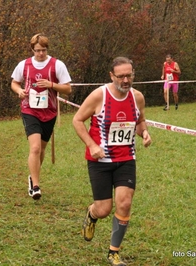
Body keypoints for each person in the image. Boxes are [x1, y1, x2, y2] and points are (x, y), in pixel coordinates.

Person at [72, 57, 152, 266]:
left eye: (129, 75)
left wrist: (144, 133)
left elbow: (140, 120)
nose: (126, 80)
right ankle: (92, 213)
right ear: (111, 76)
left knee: (124, 203)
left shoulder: (138, 97)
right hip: (100, 161)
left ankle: (113, 252)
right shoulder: (100, 95)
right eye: (121, 76)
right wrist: (91, 145)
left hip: (126, 159)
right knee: (104, 209)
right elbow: (77, 120)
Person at [11, 33, 72, 200]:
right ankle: (35, 186)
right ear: (32, 49)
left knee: (42, 149)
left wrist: (51, 84)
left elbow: (68, 89)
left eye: (43, 50)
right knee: (35, 147)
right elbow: (14, 82)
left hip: (49, 111)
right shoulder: (24, 65)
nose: (40, 54)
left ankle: (33, 175)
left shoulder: (57, 65)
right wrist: (19, 91)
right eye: (37, 50)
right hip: (29, 109)